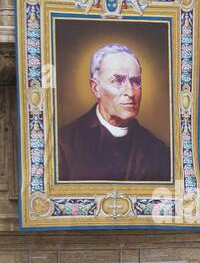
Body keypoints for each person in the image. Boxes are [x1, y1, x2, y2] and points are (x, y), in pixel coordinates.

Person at [57, 43, 171, 183]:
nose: (130, 92)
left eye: (136, 81)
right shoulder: (64, 145)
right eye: (117, 81)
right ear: (95, 88)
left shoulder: (158, 150)